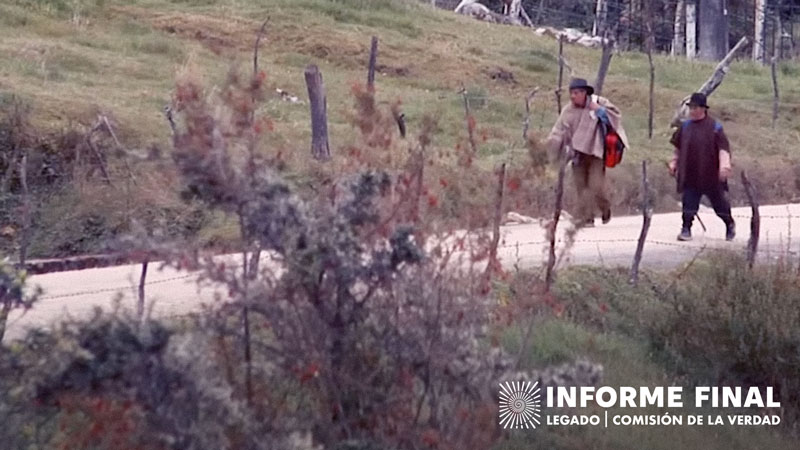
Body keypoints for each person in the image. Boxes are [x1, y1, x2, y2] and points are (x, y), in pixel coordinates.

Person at [547, 78, 629, 227]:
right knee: (581, 186)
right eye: (571, 93)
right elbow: (559, 130)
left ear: (585, 93)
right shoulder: (568, 110)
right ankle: (587, 218)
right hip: (577, 154)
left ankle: (605, 208)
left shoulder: (599, 103)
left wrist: (598, 110)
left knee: (596, 185)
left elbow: (615, 118)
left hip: (596, 152)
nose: (573, 96)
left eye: (576, 93)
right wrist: (551, 145)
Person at [669, 92, 735, 241]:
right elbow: (678, 148)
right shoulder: (685, 127)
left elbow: (723, 149)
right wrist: (674, 162)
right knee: (689, 203)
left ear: (703, 109)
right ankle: (686, 229)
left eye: (694, 107)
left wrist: (724, 167)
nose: (692, 110)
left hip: (711, 175)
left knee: (720, 206)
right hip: (690, 173)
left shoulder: (715, 127)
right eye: (690, 107)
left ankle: (729, 225)